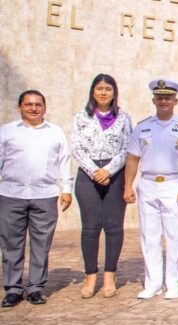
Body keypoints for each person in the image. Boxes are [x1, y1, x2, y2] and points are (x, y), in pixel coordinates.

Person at [0, 90, 73, 307]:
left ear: (44, 107)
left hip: (45, 195)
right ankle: (13, 289)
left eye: (38, 104)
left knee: (41, 244)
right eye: (28, 104)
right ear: (19, 107)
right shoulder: (7, 132)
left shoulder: (55, 132)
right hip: (11, 194)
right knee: (11, 244)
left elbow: (64, 161)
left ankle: (35, 288)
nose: (33, 108)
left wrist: (66, 188)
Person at [123, 79, 178, 300]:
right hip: (148, 183)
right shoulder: (143, 126)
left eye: (168, 97)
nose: (164, 101)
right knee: (149, 236)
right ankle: (152, 283)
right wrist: (128, 186)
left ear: (176, 100)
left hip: (174, 184)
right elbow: (133, 158)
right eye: (160, 97)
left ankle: (174, 283)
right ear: (154, 100)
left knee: (175, 236)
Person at [71, 74, 133, 299]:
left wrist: (108, 170)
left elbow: (128, 148)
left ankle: (109, 274)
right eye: (99, 88)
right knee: (90, 228)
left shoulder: (124, 118)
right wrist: (95, 172)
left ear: (114, 93)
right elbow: (77, 148)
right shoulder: (81, 117)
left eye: (108, 89)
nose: (104, 92)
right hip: (88, 174)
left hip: (114, 175)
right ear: (93, 92)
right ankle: (90, 275)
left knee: (114, 227)